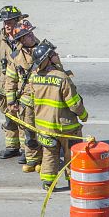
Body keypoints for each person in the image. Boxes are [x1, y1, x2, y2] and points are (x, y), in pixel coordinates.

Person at [30, 40, 88, 190]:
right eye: (53, 54)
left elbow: (31, 101)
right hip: (66, 127)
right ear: (48, 59)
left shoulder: (34, 77)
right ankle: (73, 180)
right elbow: (74, 103)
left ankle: (48, 182)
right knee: (71, 156)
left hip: (44, 127)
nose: (57, 55)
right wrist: (84, 115)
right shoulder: (62, 78)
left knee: (49, 154)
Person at [0, 5, 28, 159]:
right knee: (9, 119)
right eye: (5, 22)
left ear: (18, 21)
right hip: (3, 88)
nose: (7, 26)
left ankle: (27, 150)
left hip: (21, 89)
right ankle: (12, 147)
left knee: (24, 121)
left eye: (10, 22)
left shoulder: (27, 38)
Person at [5, 20, 42, 173]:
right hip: (26, 102)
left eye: (32, 33)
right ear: (21, 39)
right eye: (28, 35)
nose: (32, 36)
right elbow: (11, 80)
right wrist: (11, 101)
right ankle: (33, 161)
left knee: (45, 132)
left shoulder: (44, 50)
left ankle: (44, 161)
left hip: (44, 99)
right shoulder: (16, 57)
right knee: (29, 133)